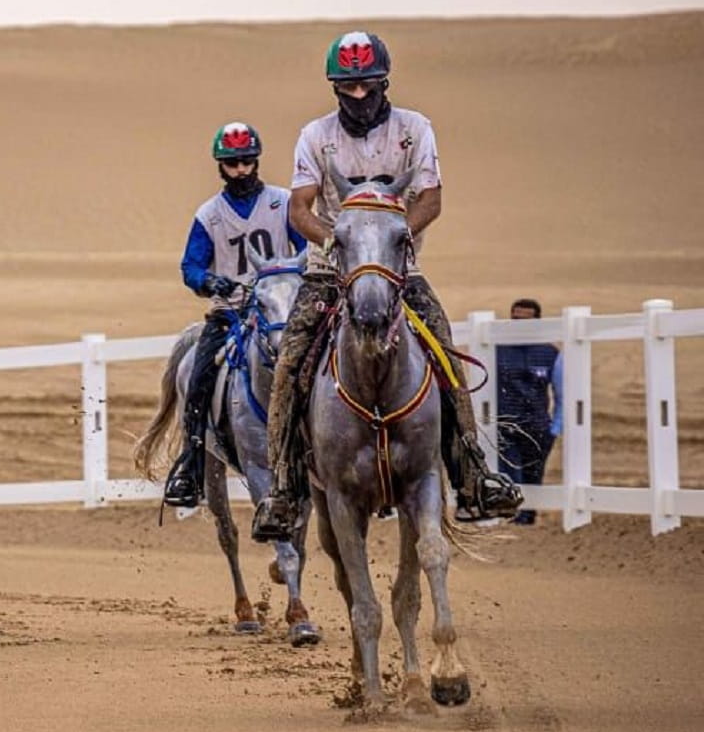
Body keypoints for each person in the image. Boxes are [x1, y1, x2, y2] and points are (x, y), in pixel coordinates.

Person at [250, 32, 523, 540]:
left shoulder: (414, 129)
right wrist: (341, 241)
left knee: (443, 352)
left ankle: (473, 476)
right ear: (335, 88)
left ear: (384, 82)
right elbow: (300, 207)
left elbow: (431, 199)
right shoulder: (316, 136)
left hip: (399, 272)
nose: (357, 97)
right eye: (346, 87)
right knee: (289, 362)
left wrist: (393, 237)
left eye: (367, 86)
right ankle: (284, 490)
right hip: (330, 269)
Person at [161, 122, 305, 507]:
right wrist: (211, 281)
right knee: (198, 378)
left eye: (246, 161)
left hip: (283, 313)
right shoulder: (210, 215)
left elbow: (307, 247)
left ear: (256, 161)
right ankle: (191, 465)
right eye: (232, 163)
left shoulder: (283, 202)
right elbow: (189, 268)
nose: (241, 170)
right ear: (220, 167)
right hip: (230, 314)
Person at [495, 298, 560, 525]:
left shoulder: (549, 354)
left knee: (533, 477)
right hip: (505, 425)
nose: (518, 323)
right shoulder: (496, 351)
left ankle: (527, 518)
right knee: (512, 473)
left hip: (537, 427)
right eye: (515, 319)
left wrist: (555, 428)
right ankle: (517, 517)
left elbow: (561, 391)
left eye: (525, 319)